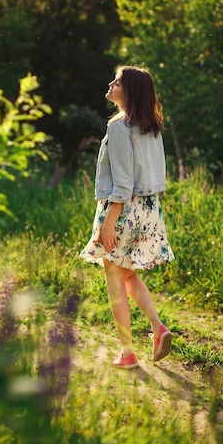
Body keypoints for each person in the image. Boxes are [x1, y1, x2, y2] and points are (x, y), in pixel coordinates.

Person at [79, 65, 175, 369]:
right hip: (149, 209)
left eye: (117, 81)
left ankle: (127, 352)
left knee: (114, 278)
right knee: (129, 274)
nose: (111, 83)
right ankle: (158, 329)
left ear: (130, 91)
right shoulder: (151, 126)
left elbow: (122, 184)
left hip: (123, 209)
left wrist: (108, 221)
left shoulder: (119, 127)